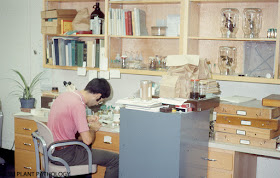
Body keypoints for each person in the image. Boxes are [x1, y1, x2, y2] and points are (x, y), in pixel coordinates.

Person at [47, 78, 119, 178]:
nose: (97, 104)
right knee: (115, 159)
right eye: (100, 102)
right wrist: (93, 129)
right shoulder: (78, 105)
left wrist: (86, 119)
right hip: (65, 155)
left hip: (52, 150)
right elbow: (87, 140)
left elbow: (68, 116)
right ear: (98, 96)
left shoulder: (66, 95)